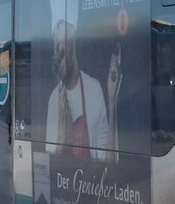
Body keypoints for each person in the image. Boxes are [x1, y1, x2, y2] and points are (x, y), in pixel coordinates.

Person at [46, 19, 120, 160]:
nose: (56, 47)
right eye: (54, 43)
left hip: (88, 181)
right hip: (63, 181)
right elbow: (49, 163)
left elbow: (107, 161)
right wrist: (62, 136)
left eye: (59, 40)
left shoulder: (94, 89)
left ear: (72, 43)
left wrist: (112, 101)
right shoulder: (54, 99)